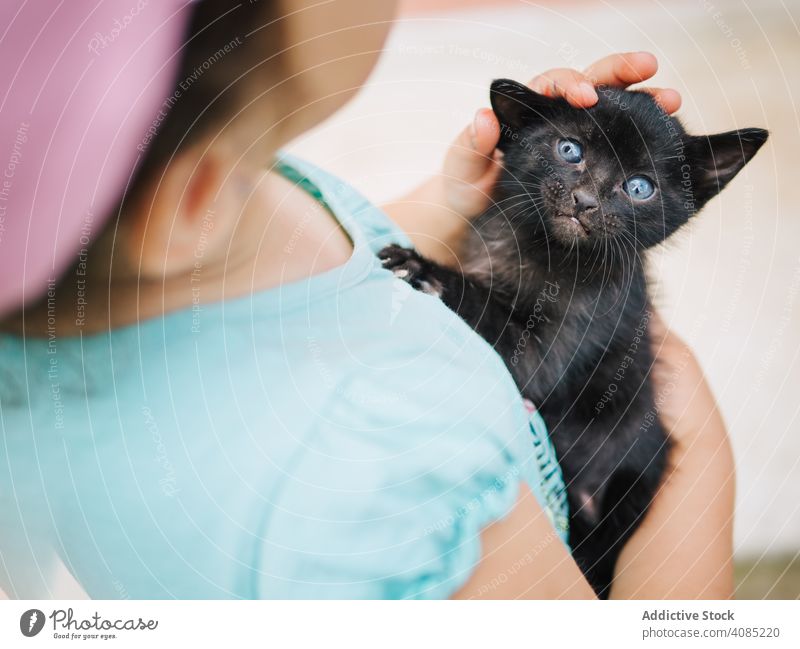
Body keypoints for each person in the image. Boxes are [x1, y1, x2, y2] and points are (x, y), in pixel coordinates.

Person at [0, 0, 733, 599]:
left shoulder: (238, 204)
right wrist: (700, 456)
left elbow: (346, 278)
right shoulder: (394, 481)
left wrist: (457, 207)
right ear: (191, 196)